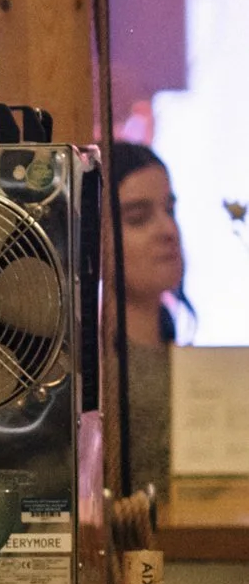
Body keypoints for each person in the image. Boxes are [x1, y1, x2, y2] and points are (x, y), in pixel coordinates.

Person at [110, 138, 189, 498]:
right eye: (139, 218)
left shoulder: (187, 360)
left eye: (170, 211)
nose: (168, 231)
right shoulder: (91, 376)